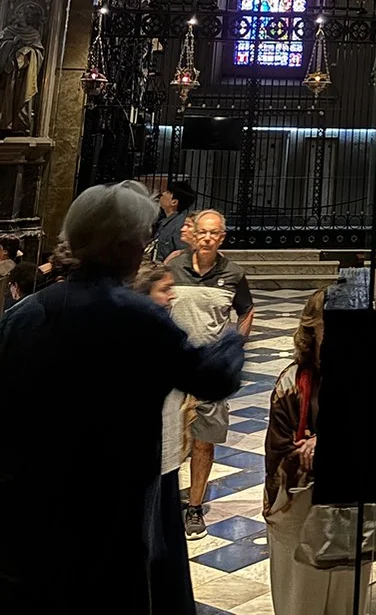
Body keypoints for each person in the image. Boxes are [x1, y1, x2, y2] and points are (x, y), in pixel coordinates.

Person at [0, 183, 243, 611]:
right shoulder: (135, 315)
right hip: (110, 502)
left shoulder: (25, 314)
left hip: (29, 502)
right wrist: (231, 341)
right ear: (127, 245)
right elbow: (211, 379)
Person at [265, 289, 376, 615]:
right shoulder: (291, 382)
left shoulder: (368, 379)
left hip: (351, 507)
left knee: (347, 600)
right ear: (313, 327)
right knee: (301, 599)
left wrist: (328, 442)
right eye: (333, 325)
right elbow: (280, 450)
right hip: (299, 511)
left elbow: (375, 436)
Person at [171, 207, 255, 539]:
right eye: (202, 232)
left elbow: (246, 310)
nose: (207, 238)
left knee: (204, 441)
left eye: (214, 233)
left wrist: (235, 346)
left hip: (208, 370)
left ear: (222, 237)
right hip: (172, 369)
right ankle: (164, 500)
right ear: (193, 235)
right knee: (167, 441)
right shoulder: (173, 267)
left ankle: (194, 506)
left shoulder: (233, 273)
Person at [134, 263, 196, 615]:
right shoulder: (137, 337)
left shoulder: (169, 332)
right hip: (144, 463)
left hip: (167, 458)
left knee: (166, 549)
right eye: (164, 289)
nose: (172, 295)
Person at [154, 181, 199, 262]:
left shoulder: (181, 225)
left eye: (167, 192)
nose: (163, 193)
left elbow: (183, 252)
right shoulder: (165, 221)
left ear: (174, 202)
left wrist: (166, 264)